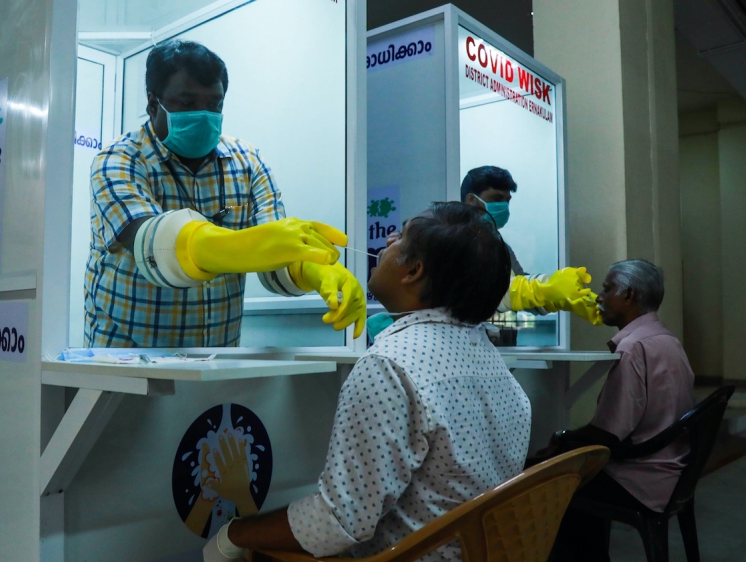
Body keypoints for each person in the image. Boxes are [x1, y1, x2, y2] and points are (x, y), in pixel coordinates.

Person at [202, 202, 533, 562]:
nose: (387, 240)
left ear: (413, 271)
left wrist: (232, 534)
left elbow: (339, 522)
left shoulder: (390, 366)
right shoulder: (494, 364)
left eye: (399, 237)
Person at [84, 40, 365, 347]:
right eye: (187, 103)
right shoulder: (120, 160)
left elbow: (276, 259)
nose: (204, 114)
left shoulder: (247, 161)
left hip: (218, 362)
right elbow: (153, 246)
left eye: (214, 105)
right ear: (153, 104)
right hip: (126, 359)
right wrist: (251, 244)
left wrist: (314, 268)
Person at [540, 259, 695, 562]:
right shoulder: (668, 340)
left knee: (552, 482)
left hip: (642, 478)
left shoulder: (633, 348)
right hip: (675, 472)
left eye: (607, 289)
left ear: (629, 295)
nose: (599, 297)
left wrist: (562, 439)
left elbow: (608, 434)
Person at [461, 165, 601, 325]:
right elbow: (483, 293)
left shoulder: (500, 246)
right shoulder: (454, 243)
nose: (504, 206)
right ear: (471, 200)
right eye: (496, 198)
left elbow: (519, 287)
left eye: (507, 200)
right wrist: (544, 289)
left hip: (494, 338)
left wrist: (561, 298)